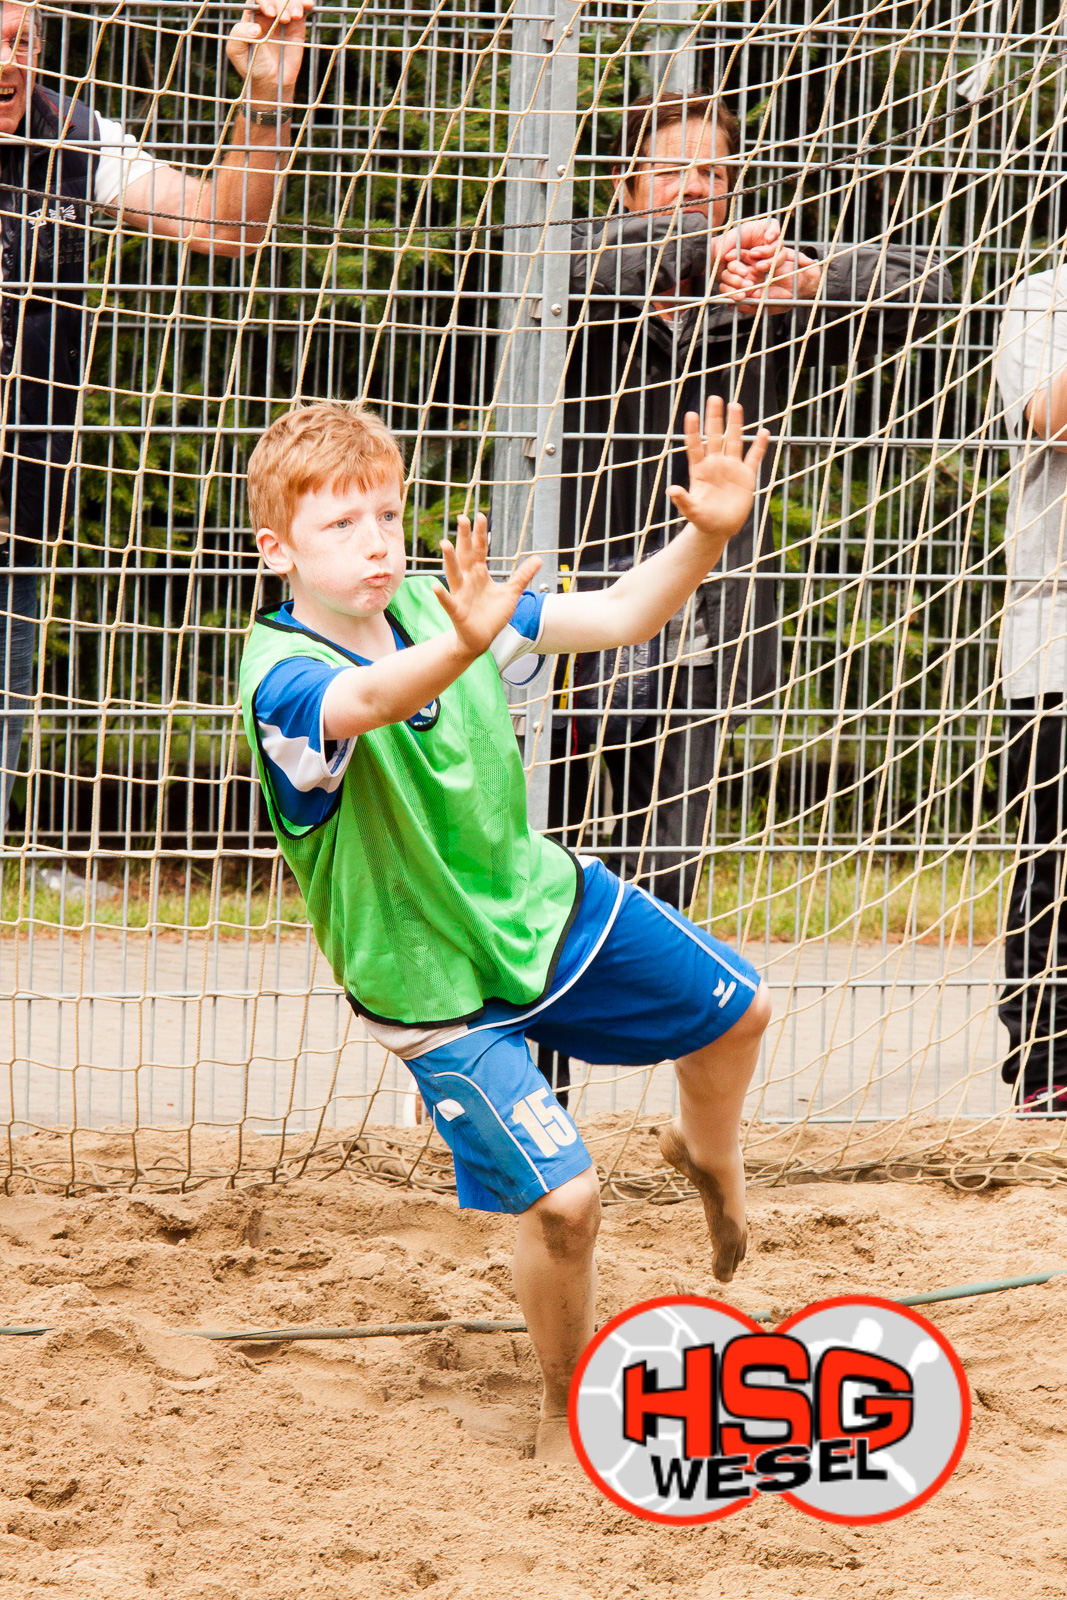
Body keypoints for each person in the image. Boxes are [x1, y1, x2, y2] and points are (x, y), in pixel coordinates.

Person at [239, 397, 772, 1463]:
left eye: (385, 514)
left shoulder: (453, 608)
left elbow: (622, 614)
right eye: (339, 524)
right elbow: (373, 697)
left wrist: (708, 531)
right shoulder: (279, 674)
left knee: (742, 1011)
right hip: (431, 986)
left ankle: (707, 1159)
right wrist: (465, 643)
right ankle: (565, 1399)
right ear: (276, 549)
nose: (375, 541)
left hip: (540, 907)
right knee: (567, 1202)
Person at [556, 91, 953, 910]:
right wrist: (698, 249)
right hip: (569, 602)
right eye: (671, 170)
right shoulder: (573, 273)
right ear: (626, 184)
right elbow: (510, 261)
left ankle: (648, 1025)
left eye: (714, 172)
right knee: (541, 845)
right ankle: (535, 1035)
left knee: (663, 863)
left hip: (709, 613)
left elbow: (929, 288)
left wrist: (804, 278)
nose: (695, 185)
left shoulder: (762, 302)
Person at [0, 0, 314, 826]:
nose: (8, 62)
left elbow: (229, 224)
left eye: (20, 40)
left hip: (16, 515)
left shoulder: (75, 138)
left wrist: (267, 95)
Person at [993, 263, 1067, 1115]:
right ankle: (1047, 1060)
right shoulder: (1044, 295)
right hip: (1055, 631)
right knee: (1054, 857)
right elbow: (1048, 416)